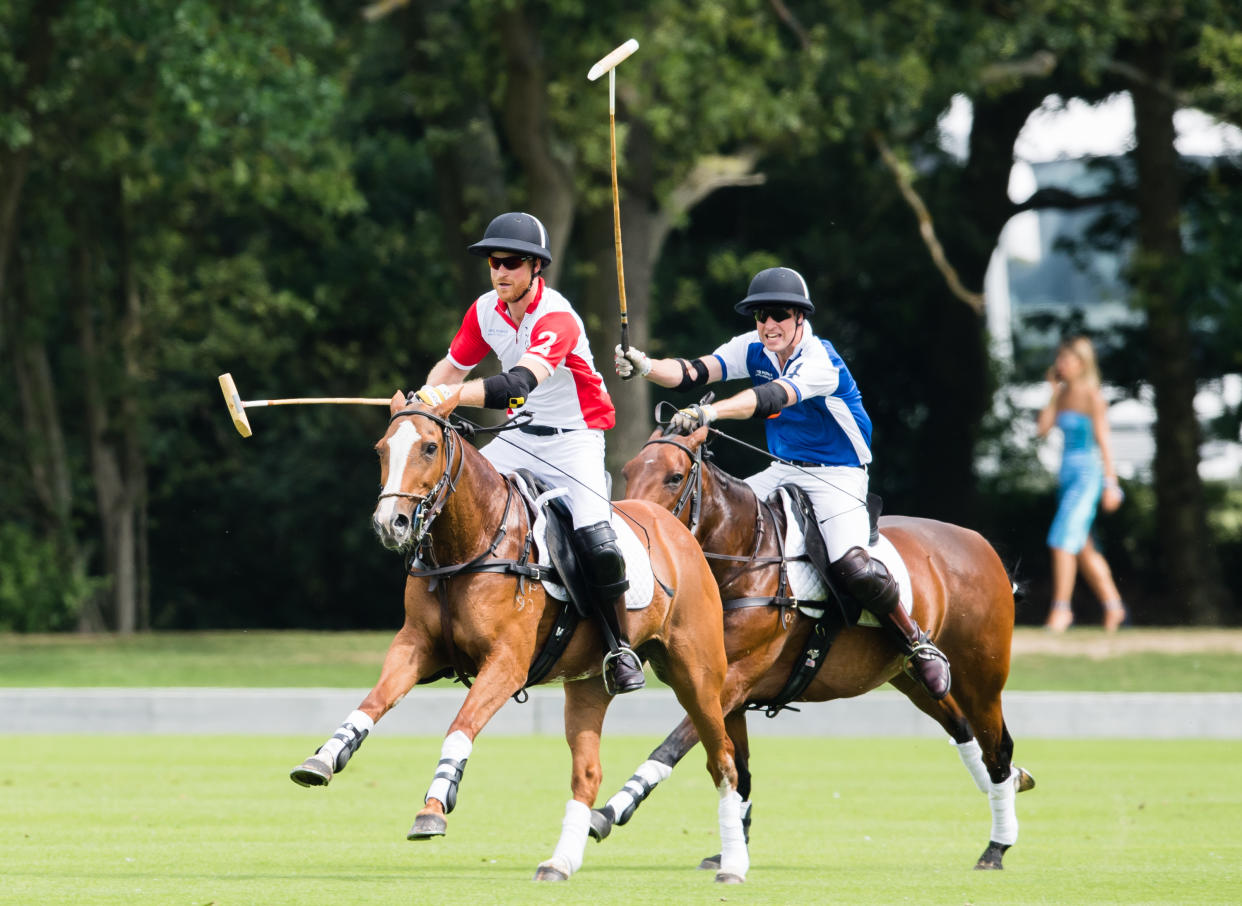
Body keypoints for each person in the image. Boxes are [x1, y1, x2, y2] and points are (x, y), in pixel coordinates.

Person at [614, 266, 951, 700]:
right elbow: (694, 372)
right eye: (760, 316)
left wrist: (710, 414)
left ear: (799, 318)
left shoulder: (820, 361)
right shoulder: (751, 346)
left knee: (853, 565)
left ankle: (916, 643)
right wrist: (644, 365)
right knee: (722, 522)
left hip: (837, 474)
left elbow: (771, 397)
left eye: (777, 314)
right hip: (783, 468)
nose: (767, 324)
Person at [412, 212, 645, 694]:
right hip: (520, 436)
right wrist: (424, 404)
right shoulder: (484, 311)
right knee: (442, 499)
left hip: (574, 437)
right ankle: (439, 631)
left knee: (599, 543)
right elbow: (452, 369)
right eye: (494, 262)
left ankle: (619, 646)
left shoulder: (557, 318)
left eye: (512, 262)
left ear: (536, 267)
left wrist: (452, 399)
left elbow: (516, 385)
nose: (500, 271)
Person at [1037, 335, 1126, 632]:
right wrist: (1052, 392)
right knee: (1084, 548)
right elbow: (1042, 429)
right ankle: (1114, 607)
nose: (1060, 364)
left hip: (1088, 476)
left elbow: (1104, 441)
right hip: (1067, 475)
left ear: (1081, 362)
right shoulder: (1061, 396)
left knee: (1061, 541)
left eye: (1066, 359)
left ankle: (1061, 610)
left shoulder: (1092, 396)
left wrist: (1111, 484)